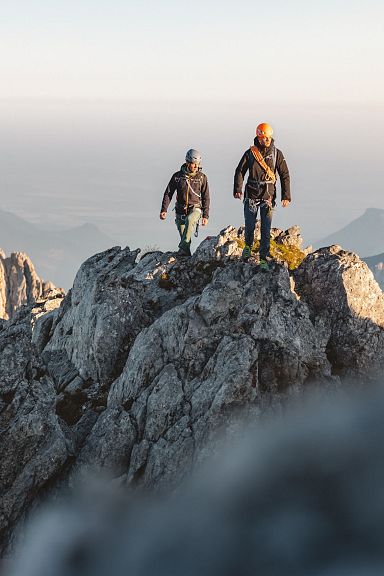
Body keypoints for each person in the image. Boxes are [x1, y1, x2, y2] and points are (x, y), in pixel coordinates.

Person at [233, 123, 291, 270]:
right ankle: (248, 246)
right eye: (260, 137)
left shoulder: (277, 154)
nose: (262, 140)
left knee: (266, 228)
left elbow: (284, 174)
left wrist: (286, 195)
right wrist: (238, 189)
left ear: (270, 137)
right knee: (250, 225)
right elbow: (240, 170)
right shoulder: (250, 153)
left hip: (268, 196)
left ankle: (264, 257)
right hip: (251, 194)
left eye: (265, 138)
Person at [160, 149, 210, 256]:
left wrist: (205, 215)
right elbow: (168, 193)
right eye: (193, 164)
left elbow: (206, 197)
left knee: (190, 220)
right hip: (180, 210)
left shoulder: (202, 178)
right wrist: (164, 209)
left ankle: (182, 249)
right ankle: (186, 255)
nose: (195, 166)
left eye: (197, 164)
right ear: (187, 162)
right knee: (184, 237)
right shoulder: (177, 177)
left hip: (195, 208)